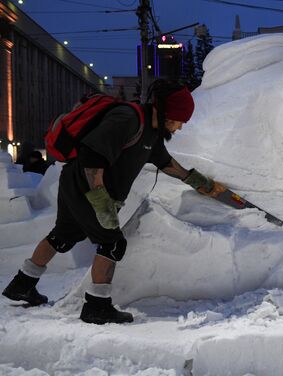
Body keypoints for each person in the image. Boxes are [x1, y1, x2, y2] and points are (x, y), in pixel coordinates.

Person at [2, 80, 225, 324]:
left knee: (63, 235)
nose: (180, 126)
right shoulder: (128, 119)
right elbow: (91, 155)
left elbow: (166, 163)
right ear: (164, 111)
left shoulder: (152, 133)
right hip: (85, 186)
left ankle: (22, 284)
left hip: (77, 184)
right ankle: (97, 306)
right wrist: (101, 202)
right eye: (178, 119)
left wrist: (198, 182)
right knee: (112, 243)